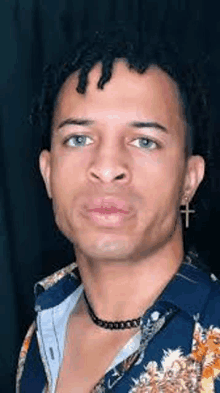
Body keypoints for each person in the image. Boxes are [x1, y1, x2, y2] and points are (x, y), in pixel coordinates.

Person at [16, 29, 220, 393]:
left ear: (189, 180)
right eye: (79, 139)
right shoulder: (44, 324)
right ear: (48, 173)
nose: (107, 167)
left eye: (145, 141)